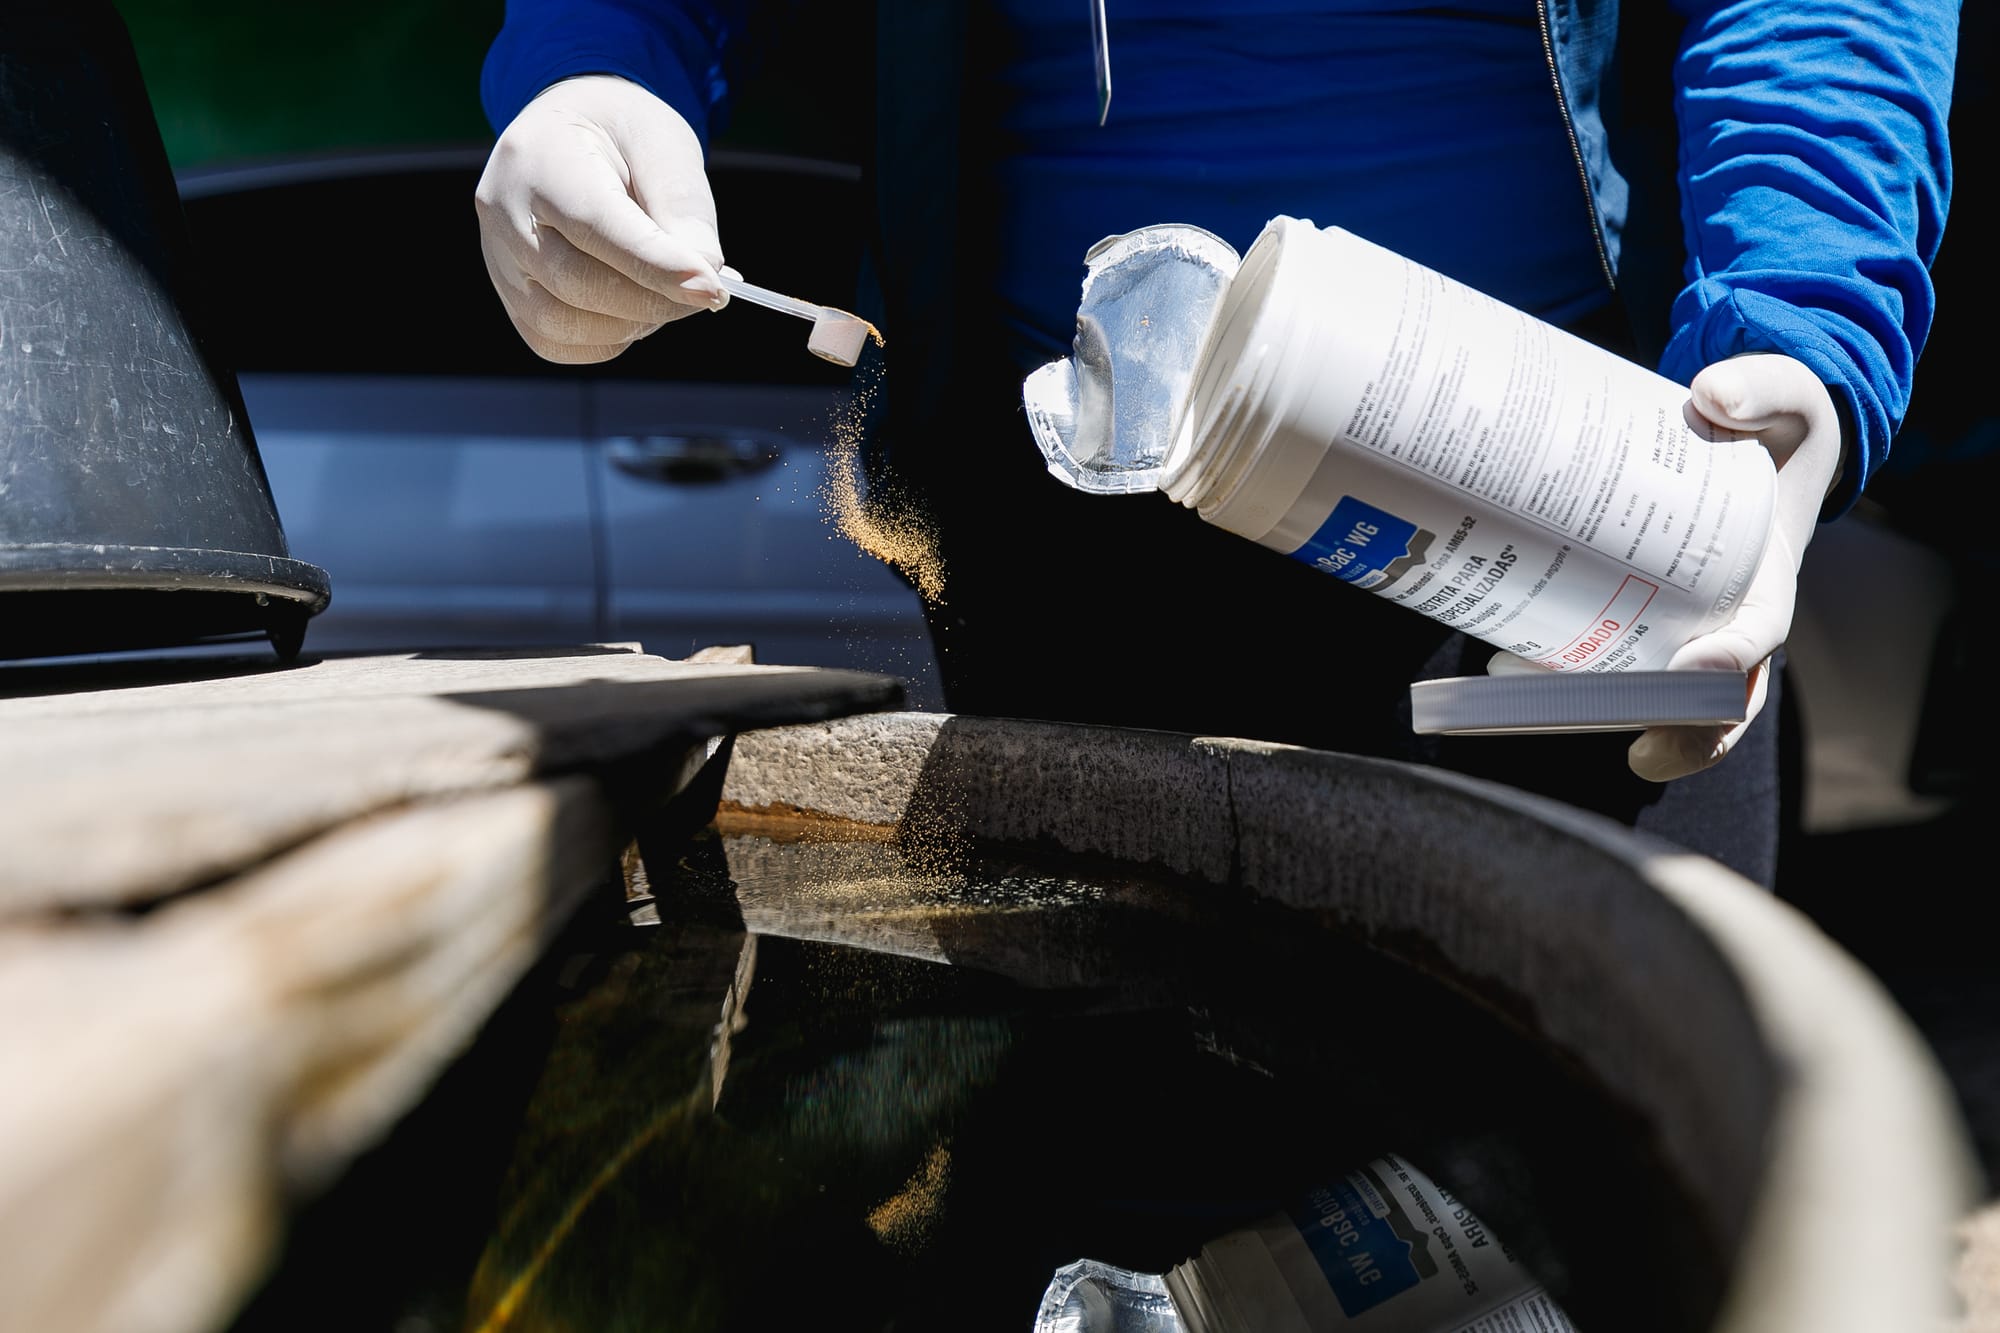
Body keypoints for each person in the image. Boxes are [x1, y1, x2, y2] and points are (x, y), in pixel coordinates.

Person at [472, 1, 1959, 890]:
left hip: (1571, 543)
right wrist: (591, 71)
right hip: (1060, 581)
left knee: (1596, 1223)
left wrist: (1802, 329)